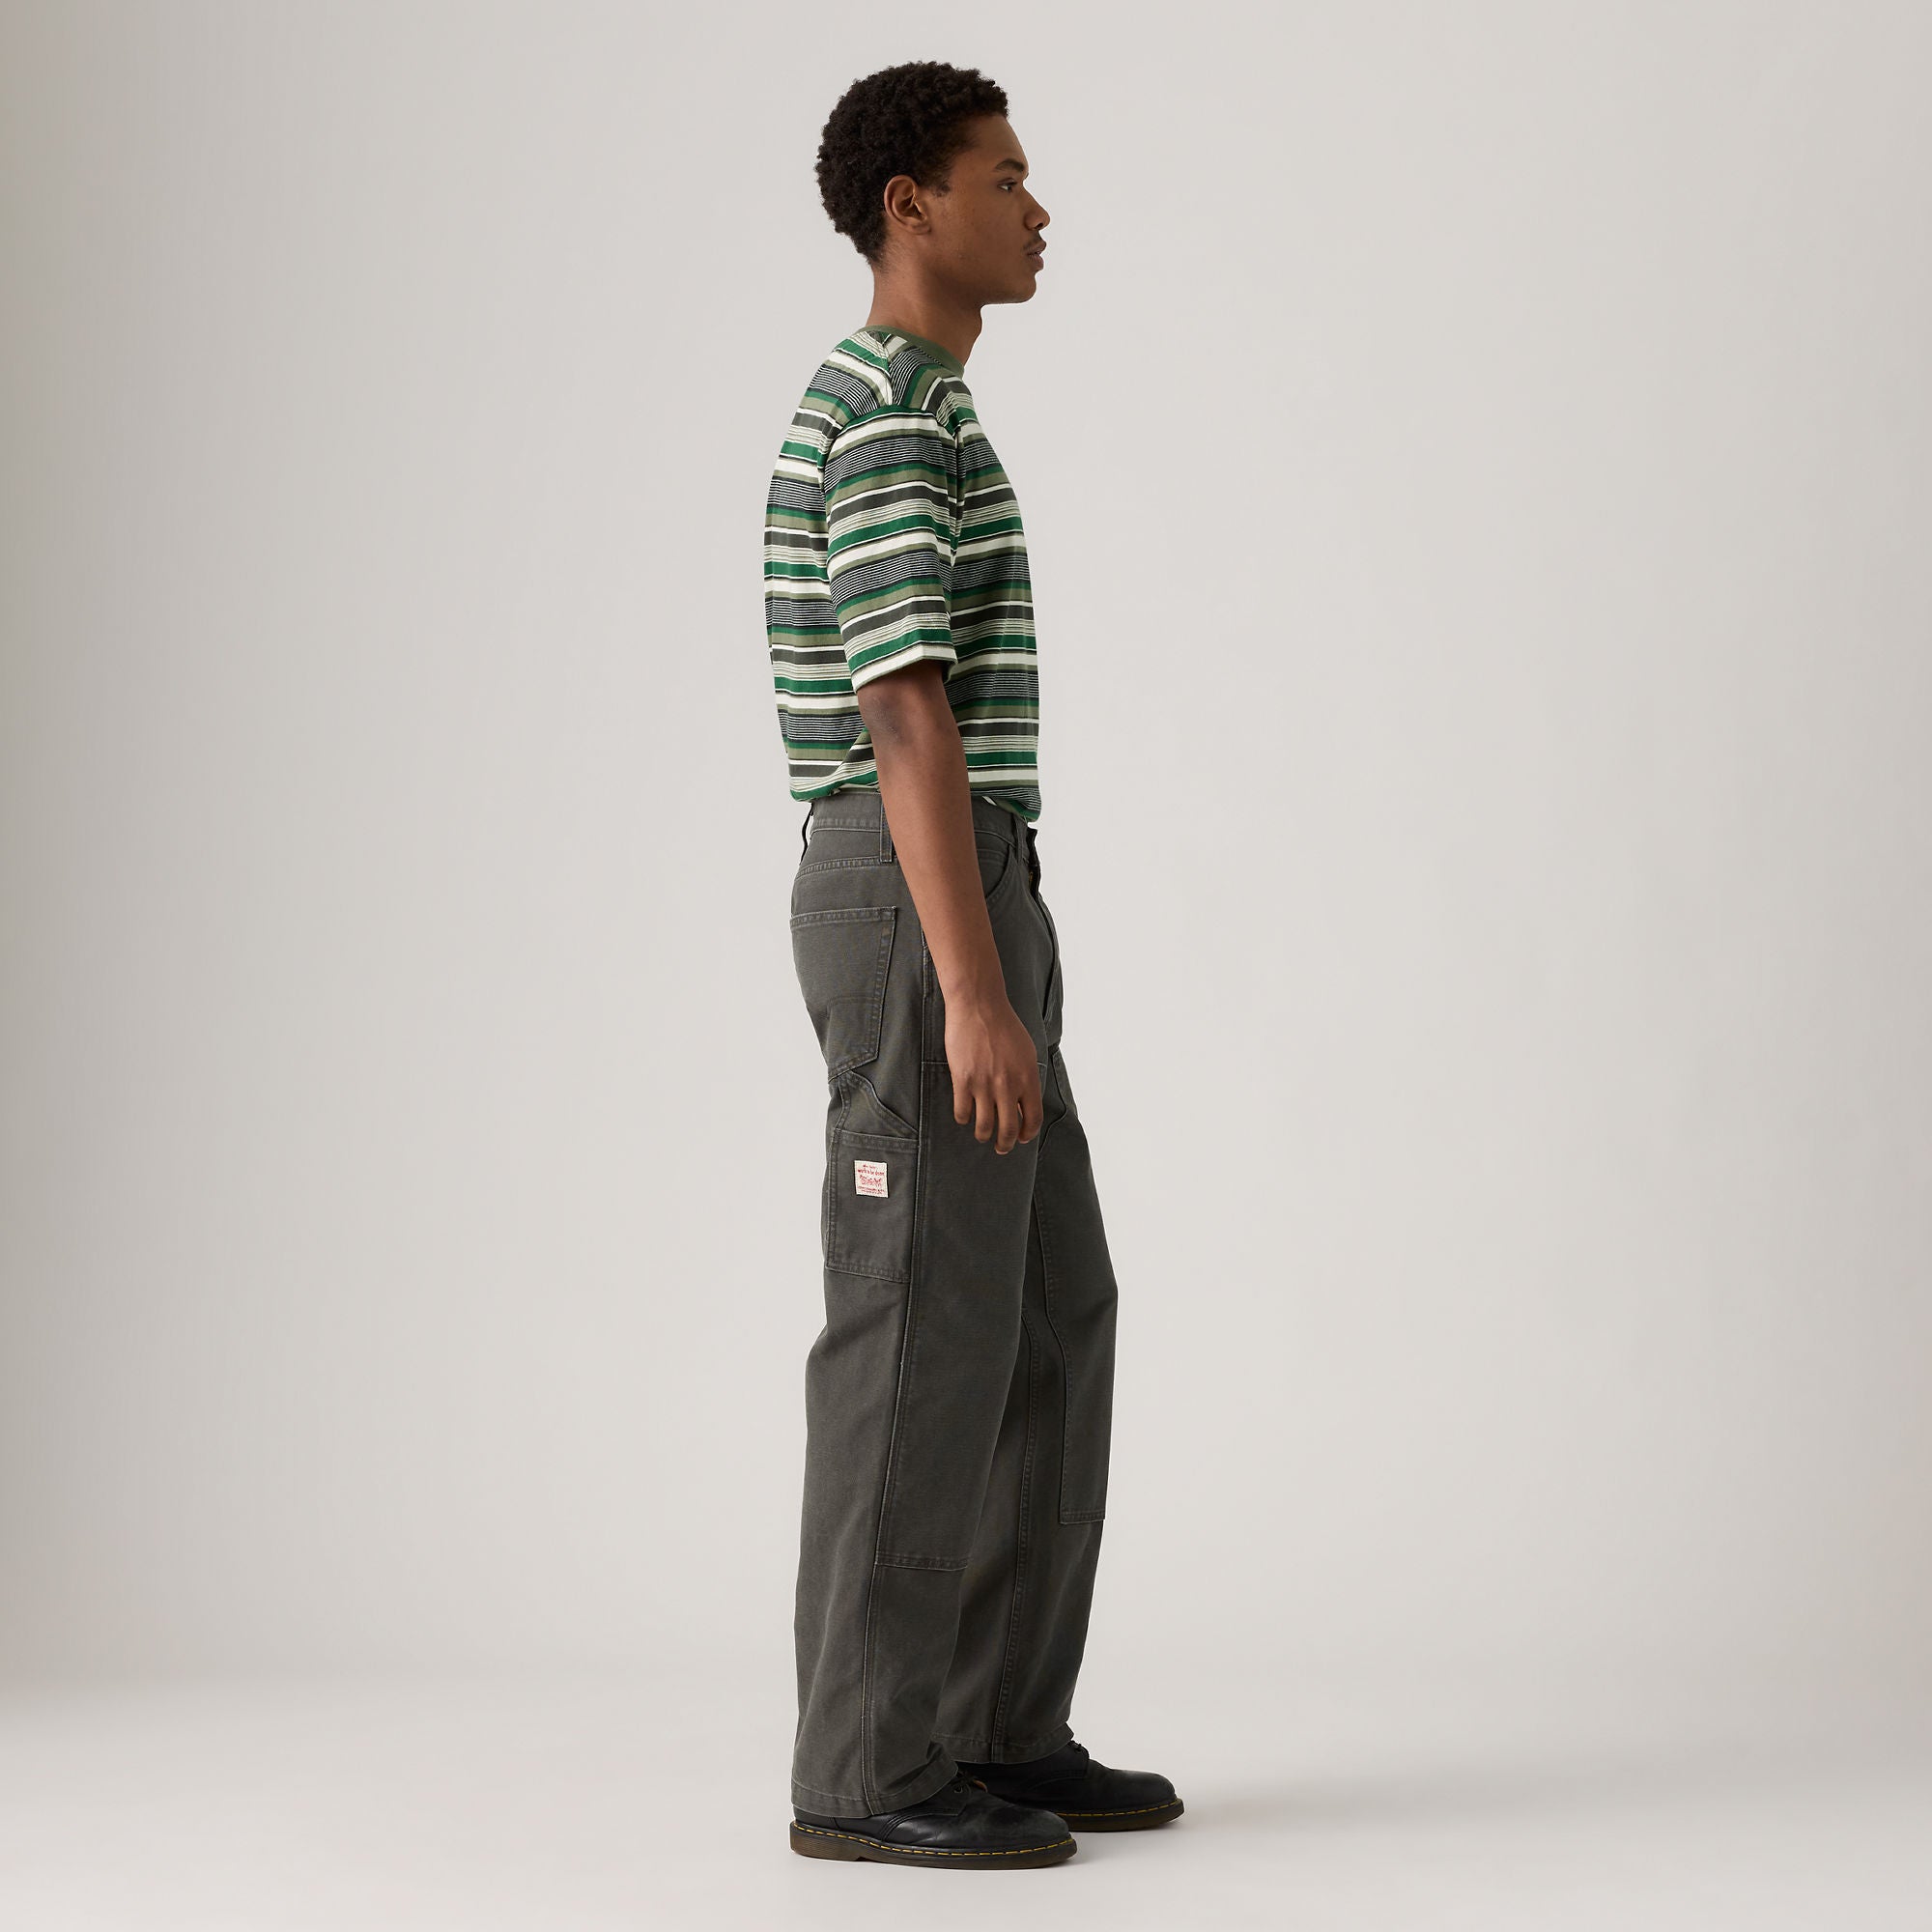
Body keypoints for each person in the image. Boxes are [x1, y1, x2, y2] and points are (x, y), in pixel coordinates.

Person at [763, 60, 1181, 1870]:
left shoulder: (933, 409)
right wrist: (976, 990)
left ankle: (998, 1726)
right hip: (915, 885)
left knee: (1051, 1311)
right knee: (922, 1320)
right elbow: (903, 712)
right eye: (1005, 175)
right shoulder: (880, 411)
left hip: (973, 879)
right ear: (910, 204)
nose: (1036, 205)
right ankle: (867, 1766)